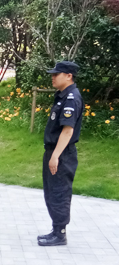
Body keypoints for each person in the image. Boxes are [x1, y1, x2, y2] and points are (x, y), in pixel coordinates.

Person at [38, 61, 83, 247]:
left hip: (62, 154)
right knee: (51, 192)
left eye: (57, 74)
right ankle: (56, 229)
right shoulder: (62, 96)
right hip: (54, 151)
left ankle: (60, 234)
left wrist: (55, 156)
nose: (53, 77)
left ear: (69, 76)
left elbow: (67, 131)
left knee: (59, 192)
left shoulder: (71, 98)